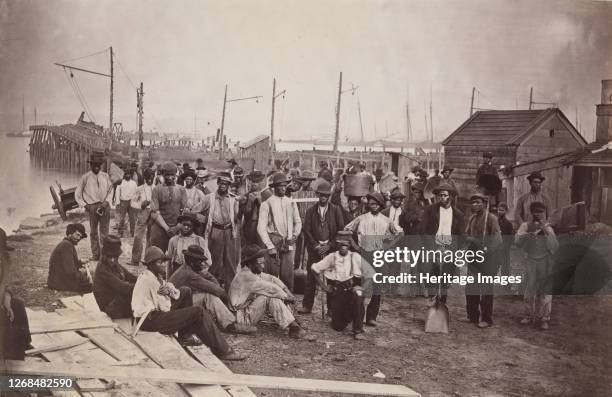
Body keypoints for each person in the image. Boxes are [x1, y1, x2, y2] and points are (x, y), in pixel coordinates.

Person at [132, 246, 245, 360]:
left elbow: (174, 292)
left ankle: (185, 336)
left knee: (185, 291)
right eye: (160, 263)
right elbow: (165, 307)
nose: (164, 265)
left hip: (155, 313)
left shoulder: (155, 275)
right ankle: (223, 351)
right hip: (150, 320)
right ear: (150, 265)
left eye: (164, 262)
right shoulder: (150, 281)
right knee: (198, 312)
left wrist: (169, 292)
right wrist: (171, 297)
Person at [169, 245, 256, 334]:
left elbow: (215, 286)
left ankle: (224, 320)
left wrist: (204, 274)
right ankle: (230, 326)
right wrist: (231, 305)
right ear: (192, 262)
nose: (202, 264)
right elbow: (217, 290)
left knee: (204, 295)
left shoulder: (186, 268)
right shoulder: (190, 275)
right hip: (175, 309)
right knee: (209, 297)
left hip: (177, 304)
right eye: (200, 261)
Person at [344, 192, 399, 326]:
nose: (373, 206)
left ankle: (371, 316)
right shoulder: (361, 218)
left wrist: (388, 245)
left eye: (376, 204)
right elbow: (346, 230)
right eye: (371, 204)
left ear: (380, 205)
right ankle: (356, 314)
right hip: (364, 254)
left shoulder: (386, 220)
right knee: (360, 284)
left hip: (379, 255)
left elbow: (399, 233)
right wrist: (355, 245)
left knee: (377, 286)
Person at [229, 244, 307, 339]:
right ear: (250, 263)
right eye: (260, 263)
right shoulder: (246, 276)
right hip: (240, 317)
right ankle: (294, 327)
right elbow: (271, 288)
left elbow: (272, 279)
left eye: (263, 262)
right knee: (269, 296)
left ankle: (293, 322)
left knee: (272, 295)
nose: (263, 266)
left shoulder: (252, 271)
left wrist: (287, 290)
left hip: (245, 311)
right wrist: (286, 297)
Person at [299, 181, 345, 314]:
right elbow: (306, 231)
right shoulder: (310, 211)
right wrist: (316, 246)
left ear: (329, 196)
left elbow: (340, 231)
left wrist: (329, 245)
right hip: (315, 249)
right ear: (317, 195)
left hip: (331, 249)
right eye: (321, 195)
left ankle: (332, 308)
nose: (323, 198)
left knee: (331, 278)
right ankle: (307, 305)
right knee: (311, 277)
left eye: (326, 195)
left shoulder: (336, 210)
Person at [312, 231, 367, 340]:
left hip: (351, 289)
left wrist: (362, 287)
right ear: (337, 245)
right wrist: (324, 286)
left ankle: (358, 329)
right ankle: (348, 317)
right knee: (338, 326)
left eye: (346, 244)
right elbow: (314, 269)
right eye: (341, 244)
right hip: (338, 291)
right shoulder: (332, 257)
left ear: (349, 245)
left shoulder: (355, 256)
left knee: (358, 294)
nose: (343, 247)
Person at [515, 202, 558, 330]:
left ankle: (544, 318)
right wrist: (528, 235)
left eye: (541, 212)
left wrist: (545, 231)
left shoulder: (548, 228)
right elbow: (517, 242)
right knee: (529, 288)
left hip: (544, 260)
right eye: (535, 211)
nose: (538, 214)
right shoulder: (525, 226)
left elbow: (555, 247)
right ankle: (528, 315)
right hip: (530, 260)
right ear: (531, 212)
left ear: (544, 213)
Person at [257, 172, 302, 291]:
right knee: (270, 276)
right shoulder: (267, 204)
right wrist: (269, 245)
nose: (283, 188)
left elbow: (298, 222)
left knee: (287, 276)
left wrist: (295, 235)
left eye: (284, 185)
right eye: (280, 185)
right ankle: (270, 303)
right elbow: (261, 228)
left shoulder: (291, 202)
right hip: (273, 243)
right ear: (274, 187)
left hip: (288, 244)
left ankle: (287, 304)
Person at [420, 183, 465, 300]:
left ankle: (442, 304)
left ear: (450, 196)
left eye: (445, 195)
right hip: (433, 246)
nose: (442, 198)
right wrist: (433, 247)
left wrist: (454, 249)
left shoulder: (458, 214)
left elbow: (461, 236)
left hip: (449, 248)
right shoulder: (430, 210)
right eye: (440, 195)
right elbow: (423, 230)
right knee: (431, 277)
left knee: (445, 279)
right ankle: (432, 302)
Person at [464, 193, 502, 328]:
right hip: (473, 256)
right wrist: (469, 241)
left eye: (478, 202)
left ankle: (486, 318)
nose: (475, 205)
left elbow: (498, 240)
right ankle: (473, 315)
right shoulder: (472, 218)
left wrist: (486, 251)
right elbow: (467, 234)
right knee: (471, 287)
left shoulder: (491, 218)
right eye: (473, 202)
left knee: (486, 288)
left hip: (487, 257)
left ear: (484, 203)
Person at [199, 172, 240, 291]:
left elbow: (238, 218)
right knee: (214, 262)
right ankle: (214, 289)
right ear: (218, 183)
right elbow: (196, 211)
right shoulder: (209, 198)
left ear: (229, 185)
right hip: (215, 231)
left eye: (226, 184)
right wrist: (205, 219)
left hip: (229, 232)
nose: (223, 186)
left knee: (230, 262)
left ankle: (230, 291)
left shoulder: (233, 199)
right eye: (221, 183)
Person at [0, 227, 32, 360]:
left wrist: (6, 300)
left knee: (17, 305)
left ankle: (22, 344)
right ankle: (8, 351)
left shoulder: (4, 259)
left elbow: (6, 283)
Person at [75, 151, 112, 260]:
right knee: (93, 232)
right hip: (93, 207)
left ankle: (104, 255)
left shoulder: (105, 176)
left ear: (100, 165)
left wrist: (106, 202)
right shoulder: (85, 177)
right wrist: (85, 205)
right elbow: (77, 194)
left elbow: (111, 191)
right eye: (94, 165)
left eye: (98, 165)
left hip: (105, 207)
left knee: (104, 232)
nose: (96, 167)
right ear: (90, 165)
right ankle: (96, 254)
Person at [93, 235, 136, 319]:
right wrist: (140, 286)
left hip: (115, 301)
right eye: (109, 257)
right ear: (105, 255)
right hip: (108, 308)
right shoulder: (102, 268)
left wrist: (142, 280)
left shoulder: (115, 265)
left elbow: (129, 276)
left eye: (115, 257)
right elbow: (122, 287)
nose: (112, 260)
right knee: (131, 294)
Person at [149, 162, 188, 252]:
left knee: (177, 254)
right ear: (163, 175)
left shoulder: (181, 190)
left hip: (177, 226)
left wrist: (177, 227)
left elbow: (185, 211)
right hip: (160, 226)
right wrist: (166, 228)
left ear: (176, 175)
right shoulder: (157, 189)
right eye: (167, 175)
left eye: (172, 175)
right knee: (156, 253)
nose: (170, 177)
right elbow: (154, 212)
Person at [48, 223, 93, 293]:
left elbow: (65, 264)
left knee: (90, 276)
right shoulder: (67, 245)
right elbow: (70, 272)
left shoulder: (66, 243)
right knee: (94, 284)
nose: (79, 238)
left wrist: (80, 262)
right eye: (77, 235)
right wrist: (85, 277)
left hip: (56, 280)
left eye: (80, 237)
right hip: (59, 283)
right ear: (70, 233)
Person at [131, 168, 155, 265]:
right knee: (138, 237)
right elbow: (132, 202)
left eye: (152, 177)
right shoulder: (139, 189)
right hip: (143, 212)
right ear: (145, 178)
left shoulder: (157, 188)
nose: (150, 179)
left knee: (151, 237)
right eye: (148, 177)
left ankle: (148, 260)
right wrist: (141, 205)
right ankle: (135, 259)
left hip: (153, 213)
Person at [242, 170, 267, 245]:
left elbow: (269, 213)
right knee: (249, 247)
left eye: (256, 182)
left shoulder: (266, 195)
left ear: (260, 182)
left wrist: (260, 202)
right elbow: (243, 214)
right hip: (249, 225)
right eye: (252, 181)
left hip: (262, 226)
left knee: (262, 248)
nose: (254, 184)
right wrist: (249, 203)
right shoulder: (246, 195)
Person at [114, 169, 138, 237]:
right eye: (126, 174)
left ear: (131, 175)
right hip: (123, 202)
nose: (128, 175)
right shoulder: (121, 182)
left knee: (132, 218)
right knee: (122, 218)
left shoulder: (133, 183)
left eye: (129, 174)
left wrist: (135, 202)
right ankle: (120, 232)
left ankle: (132, 232)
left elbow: (136, 193)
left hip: (131, 202)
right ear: (124, 175)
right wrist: (118, 202)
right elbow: (117, 192)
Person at [497, 203, 514, 279]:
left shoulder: (508, 224)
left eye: (502, 210)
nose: (500, 212)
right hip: (495, 246)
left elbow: (510, 238)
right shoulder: (494, 221)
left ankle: (506, 285)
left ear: (506, 211)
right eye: (499, 210)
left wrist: (505, 246)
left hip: (504, 247)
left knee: (505, 266)